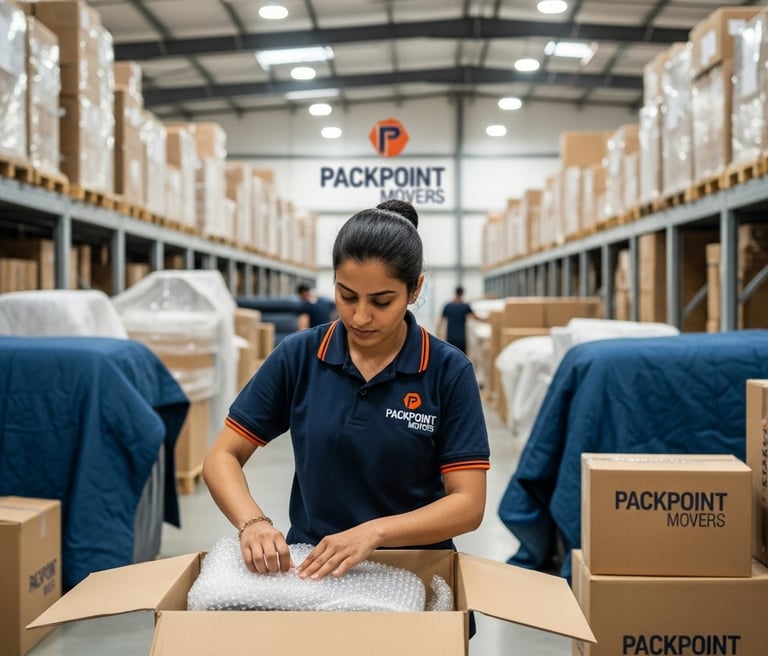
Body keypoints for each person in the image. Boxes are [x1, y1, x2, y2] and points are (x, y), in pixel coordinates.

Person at [202, 198, 490, 584]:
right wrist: (253, 522)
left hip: (416, 573)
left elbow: (468, 504)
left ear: (415, 288)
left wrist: (375, 532)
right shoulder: (300, 356)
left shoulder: (446, 371)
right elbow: (222, 455)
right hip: (315, 572)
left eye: (382, 301)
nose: (360, 317)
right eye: (347, 296)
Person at [438, 286, 481, 354]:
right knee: (462, 357)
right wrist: (486, 319)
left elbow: (440, 321)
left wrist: (438, 334)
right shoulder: (465, 306)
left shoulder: (448, 306)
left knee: (451, 356)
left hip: (450, 338)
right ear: (462, 294)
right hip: (461, 338)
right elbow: (475, 317)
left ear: (455, 293)